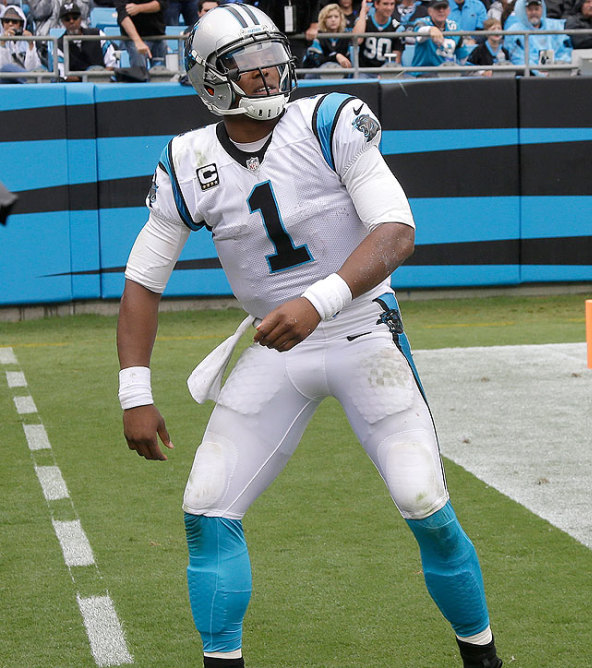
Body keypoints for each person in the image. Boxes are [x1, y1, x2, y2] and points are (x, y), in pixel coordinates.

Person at [117, 5, 503, 668]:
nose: (267, 74)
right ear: (213, 80)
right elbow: (143, 279)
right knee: (207, 507)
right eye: (248, 64)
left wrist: (318, 302)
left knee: (421, 498)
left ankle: (482, 656)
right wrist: (134, 392)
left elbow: (396, 231)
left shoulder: (329, 121)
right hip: (277, 346)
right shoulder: (187, 159)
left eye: (271, 57)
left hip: (362, 331)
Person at [56, 1, 119, 79]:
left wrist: (98, 78)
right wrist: (86, 79)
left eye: (75, 17)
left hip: (103, 81)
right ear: (62, 22)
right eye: (67, 19)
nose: (71, 21)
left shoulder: (98, 34)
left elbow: (112, 64)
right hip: (77, 87)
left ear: (81, 18)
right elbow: (63, 75)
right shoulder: (59, 44)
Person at [504, 0, 571, 66]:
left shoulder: (555, 26)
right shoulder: (514, 31)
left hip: (556, 72)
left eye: (536, 9)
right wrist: (538, 72)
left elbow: (564, 52)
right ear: (523, 11)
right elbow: (517, 58)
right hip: (528, 73)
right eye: (530, 9)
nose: (534, 12)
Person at [115, 0, 166, 75]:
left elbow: (162, 4)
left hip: (158, 36)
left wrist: (138, 8)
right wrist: (137, 41)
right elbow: (123, 15)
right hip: (133, 40)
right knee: (140, 76)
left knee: (163, 76)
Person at [353, 0, 406, 72]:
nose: (389, 8)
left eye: (392, 4)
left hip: (386, 71)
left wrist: (386, 73)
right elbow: (357, 40)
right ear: (376, 4)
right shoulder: (364, 22)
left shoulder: (397, 27)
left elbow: (396, 58)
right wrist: (363, 12)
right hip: (364, 71)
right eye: (385, 4)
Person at [303, 1, 352, 73]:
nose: (333, 20)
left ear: (341, 19)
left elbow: (349, 61)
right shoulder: (317, 36)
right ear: (323, 20)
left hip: (340, 73)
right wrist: (336, 56)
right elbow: (317, 60)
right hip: (315, 73)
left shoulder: (346, 37)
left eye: (336, 16)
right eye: (329, 17)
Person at [410, 0, 459, 71]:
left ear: (449, 10)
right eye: (437, 8)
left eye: (444, 7)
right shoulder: (422, 22)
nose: (441, 11)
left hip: (449, 70)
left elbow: (462, 55)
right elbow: (419, 29)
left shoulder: (455, 26)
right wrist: (430, 29)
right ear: (430, 11)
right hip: (424, 71)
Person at [1, 5, 43, 81]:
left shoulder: (28, 40)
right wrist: (2, 44)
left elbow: (33, 67)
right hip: (4, 81)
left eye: (14, 22)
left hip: (25, 81)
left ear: (21, 24)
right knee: (7, 68)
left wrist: (31, 45)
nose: (10, 24)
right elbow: (2, 66)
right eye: (6, 21)